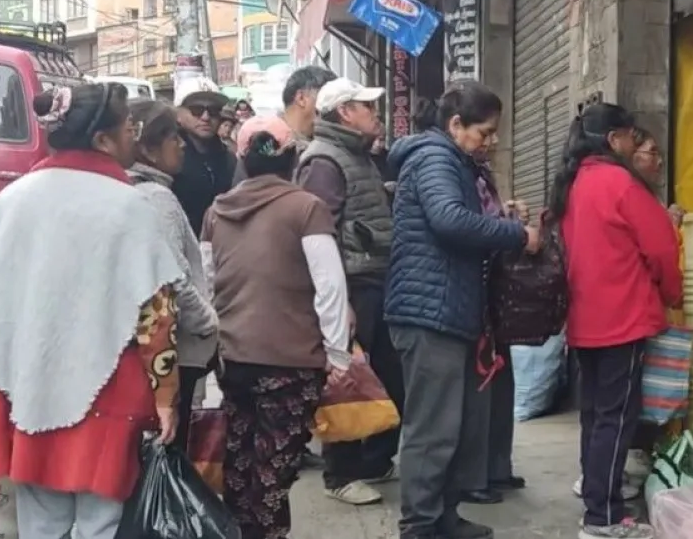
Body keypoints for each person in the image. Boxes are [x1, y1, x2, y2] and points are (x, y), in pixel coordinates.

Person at [0, 83, 182, 538]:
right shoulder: (130, 207)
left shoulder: (14, 199)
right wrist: (166, 394)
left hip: (27, 385)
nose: (135, 138)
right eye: (129, 129)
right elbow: (157, 312)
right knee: (102, 521)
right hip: (108, 388)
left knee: (40, 520)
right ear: (102, 141)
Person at [385, 81, 541, 539]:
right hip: (428, 313)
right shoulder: (434, 158)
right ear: (456, 125)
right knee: (431, 429)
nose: (492, 142)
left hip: (446, 309)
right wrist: (516, 235)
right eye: (485, 132)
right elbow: (450, 220)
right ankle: (419, 526)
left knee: (451, 428)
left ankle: (442, 516)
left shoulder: (452, 160)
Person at [202, 130, 353, 539]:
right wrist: (338, 355)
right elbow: (330, 286)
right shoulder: (307, 208)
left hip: (232, 358)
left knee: (239, 465)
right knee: (272, 470)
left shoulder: (216, 211)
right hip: (290, 361)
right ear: (291, 161)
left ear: (243, 160)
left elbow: (208, 284)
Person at [549, 102, 682, 539]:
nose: (632, 142)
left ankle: (595, 492)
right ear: (614, 140)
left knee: (594, 414)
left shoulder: (572, 183)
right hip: (621, 317)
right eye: (630, 135)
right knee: (616, 416)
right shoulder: (621, 183)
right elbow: (661, 248)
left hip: (585, 319)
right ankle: (603, 516)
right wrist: (672, 296)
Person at [296, 77, 403, 506]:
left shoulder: (356, 156)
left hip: (374, 279)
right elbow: (319, 233)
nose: (375, 115)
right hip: (353, 286)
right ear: (344, 112)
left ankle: (374, 460)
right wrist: (338, 303)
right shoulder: (324, 161)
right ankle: (340, 473)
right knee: (347, 381)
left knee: (386, 377)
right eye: (367, 107)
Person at [128, 99, 219, 452]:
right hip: (175, 347)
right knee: (169, 445)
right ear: (149, 149)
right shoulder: (156, 197)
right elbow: (173, 275)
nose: (181, 145)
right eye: (173, 138)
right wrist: (209, 322)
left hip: (152, 344)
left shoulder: (133, 189)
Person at [231, 66, 337, 186]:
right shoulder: (267, 136)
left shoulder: (315, 143)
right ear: (301, 98)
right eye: (326, 98)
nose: (331, 107)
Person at [172, 76, 237, 236]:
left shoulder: (229, 159)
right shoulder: (168, 157)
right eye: (196, 110)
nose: (206, 117)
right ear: (178, 114)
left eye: (213, 111)